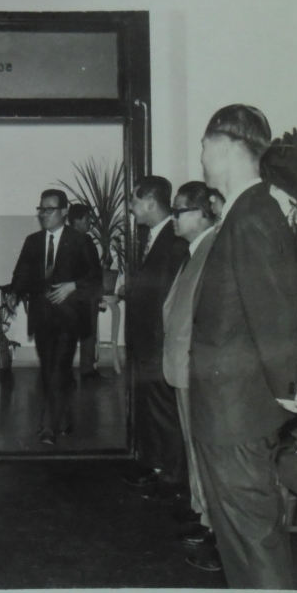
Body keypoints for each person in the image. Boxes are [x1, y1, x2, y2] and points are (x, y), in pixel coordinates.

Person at [191, 104, 297, 589]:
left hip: (236, 415)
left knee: (253, 544)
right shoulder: (247, 211)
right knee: (242, 542)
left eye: (204, 147)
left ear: (225, 147)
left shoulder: (253, 215)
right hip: (230, 412)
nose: (201, 157)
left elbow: (275, 310)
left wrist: (285, 388)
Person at [9, 190, 102, 445]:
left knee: (59, 366)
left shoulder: (81, 241)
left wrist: (73, 285)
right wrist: (14, 293)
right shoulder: (33, 241)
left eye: (50, 209)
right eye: (42, 209)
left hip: (69, 317)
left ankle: (48, 426)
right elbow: (22, 272)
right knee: (50, 367)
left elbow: (95, 278)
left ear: (64, 212)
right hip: (41, 316)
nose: (44, 214)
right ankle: (64, 416)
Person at [160, 181, 221, 571]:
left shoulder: (212, 250)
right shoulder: (194, 250)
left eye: (180, 211)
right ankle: (202, 514)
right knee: (192, 446)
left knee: (202, 449)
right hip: (182, 365)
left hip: (195, 367)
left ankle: (213, 527)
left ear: (201, 214)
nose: (174, 218)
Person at [122, 176, 190, 502]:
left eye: (134, 201)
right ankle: (153, 465)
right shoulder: (154, 237)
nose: (131, 208)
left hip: (157, 345)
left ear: (150, 202)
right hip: (146, 344)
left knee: (164, 411)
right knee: (150, 409)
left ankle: (174, 478)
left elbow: (168, 299)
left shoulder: (173, 241)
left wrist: (158, 348)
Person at [66, 203, 104, 379]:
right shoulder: (85, 240)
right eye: (88, 218)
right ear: (77, 219)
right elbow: (93, 270)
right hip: (86, 294)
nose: (90, 222)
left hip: (68, 295)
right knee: (88, 334)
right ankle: (87, 371)